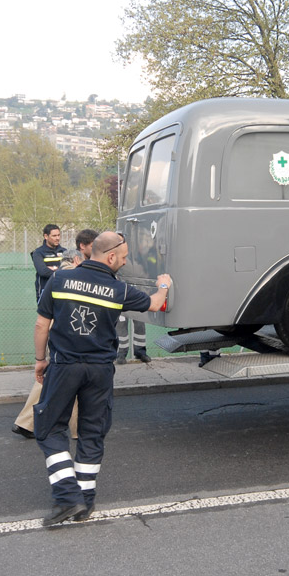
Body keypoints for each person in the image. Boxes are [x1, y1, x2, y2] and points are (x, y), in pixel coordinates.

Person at [33, 231, 172, 526]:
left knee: (49, 428)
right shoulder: (118, 290)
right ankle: (84, 501)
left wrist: (40, 360)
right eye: (122, 258)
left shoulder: (59, 280)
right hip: (99, 370)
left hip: (64, 366)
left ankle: (67, 497)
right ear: (110, 257)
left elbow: (41, 324)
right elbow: (156, 303)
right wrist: (164, 284)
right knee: (92, 432)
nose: (124, 262)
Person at [11, 248, 83, 439]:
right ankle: (78, 430)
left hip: (56, 331)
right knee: (70, 378)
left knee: (53, 377)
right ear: (77, 259)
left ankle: (27, 422)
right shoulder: (72, 277)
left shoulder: (57, 276)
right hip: (68, 334)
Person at [31, 224, 66, 301]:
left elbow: (70, 270)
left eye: (59, 235)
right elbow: (43, 271)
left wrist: (53, 269)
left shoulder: (65, 252)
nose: (57, 238)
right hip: (45, 291)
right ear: (46, 236)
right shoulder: (38, 252)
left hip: (62, 291)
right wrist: (61, 271)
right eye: (54, 236)